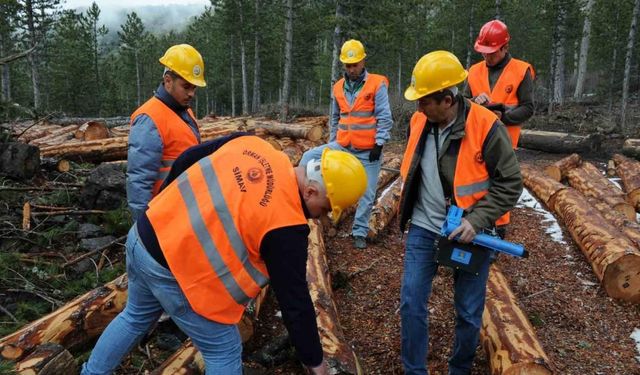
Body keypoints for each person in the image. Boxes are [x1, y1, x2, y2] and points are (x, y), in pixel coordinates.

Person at [81, 133, 367, 375]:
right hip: (171, 271)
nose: (321, 218)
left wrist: (164, 208)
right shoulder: (287, 226)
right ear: (312, 191)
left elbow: (188, 157)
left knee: (135, 316)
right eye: (326, 210)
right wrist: (315, 362)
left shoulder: (253, 144)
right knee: (225, 350)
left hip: (143, 235)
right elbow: (295, 302)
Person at [398, 51, 522, 375]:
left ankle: (460, 369)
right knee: (411, 303)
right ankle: (414, 370)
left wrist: (475, 221)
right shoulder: (418, 121)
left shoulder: (486, 126)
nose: (418, 107)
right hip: (425, 226)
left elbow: (510, 183)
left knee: (468, 311)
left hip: (472, 233)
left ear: (449, 98)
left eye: (425, 101)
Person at [299, 39, 393, 250]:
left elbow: (385, 117)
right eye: (348, 65)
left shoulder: (377, 84)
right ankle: (307, 203)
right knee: (308, 157)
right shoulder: (338, 87)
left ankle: (359, 231)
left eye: (355, 64)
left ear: (363, 61)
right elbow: (336, 117)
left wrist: (379, 144)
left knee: (367, 193)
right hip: (342, 145)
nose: (352, 69)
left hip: (368, 150)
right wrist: (333, 141)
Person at [127, 44, 206, 222]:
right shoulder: (149, 119)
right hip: (164, 214)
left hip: (184, 208)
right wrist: (142, 227)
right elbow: (139, 180)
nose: (192, 93)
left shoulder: (185, 112)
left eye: (194, 88)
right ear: (168, 81)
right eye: (186, 87)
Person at [465, 19, 535, 149]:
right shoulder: (474, 71)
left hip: (505, 144)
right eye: (483, 52)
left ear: (505, 47)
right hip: (475, 141)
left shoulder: (521, 71)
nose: (487, 56)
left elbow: (528, 108)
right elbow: (463, 103)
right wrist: (474, 100)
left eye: (491, 53)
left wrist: (503, 116)